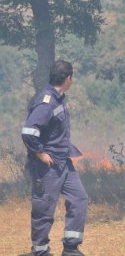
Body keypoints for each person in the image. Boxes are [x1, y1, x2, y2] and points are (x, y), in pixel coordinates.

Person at [21, 60, 88, 256]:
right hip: (48, 167)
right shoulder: (47, 101)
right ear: (69, 78)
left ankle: (70, 248)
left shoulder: (58, 98)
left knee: (79, 198)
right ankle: (40, 251)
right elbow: (28, 132)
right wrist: (41, 154)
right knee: (45, 208)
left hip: (64, 162)